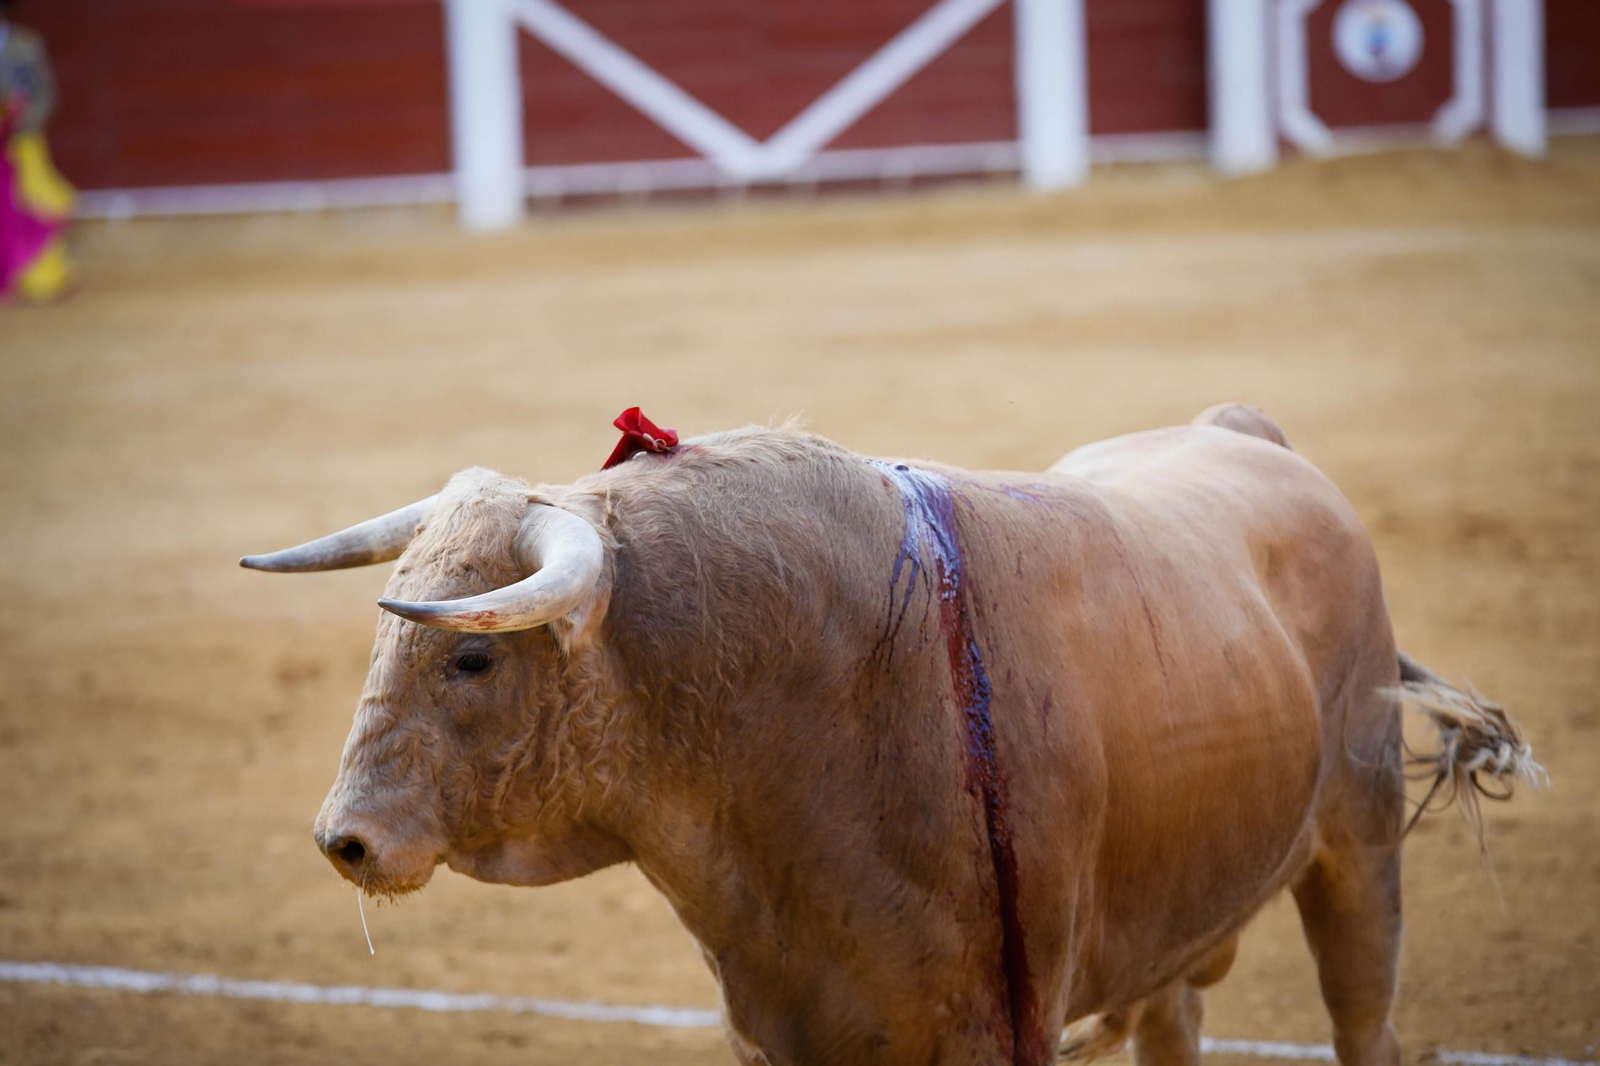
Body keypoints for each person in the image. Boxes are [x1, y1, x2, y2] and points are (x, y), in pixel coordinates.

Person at [1, 0, 74, 303]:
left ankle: (40, 277)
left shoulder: (27, 45)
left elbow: (45, 93)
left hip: (23, 140)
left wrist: (21, 122)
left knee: (36, 202)